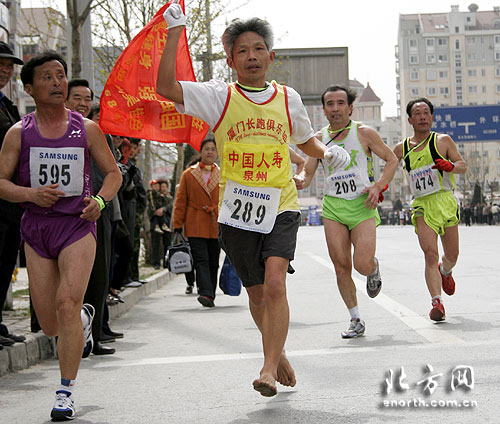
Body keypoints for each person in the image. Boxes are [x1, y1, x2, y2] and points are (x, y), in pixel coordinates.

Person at [157, 5, 350, 397]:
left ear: (270, 55)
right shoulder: (219, 96)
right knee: (258, 294)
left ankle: (266, 368)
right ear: (230, 60)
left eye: (258, 49)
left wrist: (328, 153)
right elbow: (166, 87)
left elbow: (305, 141)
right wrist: (175, 29)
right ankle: (278, 353)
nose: (251, 56)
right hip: (238, 211)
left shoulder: (287, 98)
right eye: (242, 51)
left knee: (276, 283)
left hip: (281, 204)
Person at [0, 51, 121, 420]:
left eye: (60, 75)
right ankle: (82, 320)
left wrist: (99, 201)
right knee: (51, 323)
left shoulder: (86, 128)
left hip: (76, 225)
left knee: (66, 303)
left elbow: (113, 174)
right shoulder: (19, 133)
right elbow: (1, 182)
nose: (56, 83)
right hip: (37, 228)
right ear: (29, 88)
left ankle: (65, 392)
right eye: (47, 77)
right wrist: (30, 194)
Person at [296, 85, 398, 338]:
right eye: (330, 104)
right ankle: (355, 319)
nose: (335, 108)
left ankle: (373, 267)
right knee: (341, 266)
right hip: (333, 207)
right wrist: (300, 179)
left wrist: (378, 186)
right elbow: (307, 171)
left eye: (341, 103)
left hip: (362, 205)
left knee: (361, 264)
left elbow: (392, 159)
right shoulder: (317, 140)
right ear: (324, 109)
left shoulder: (364, 133)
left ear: (350, 107)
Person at [393, 98, 467, 322]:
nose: (422, 117)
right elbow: (388, 164)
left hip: (445, 201)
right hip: (422, 205)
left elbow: (462, 165)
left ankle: (445, 270)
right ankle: (437, 302)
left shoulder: (443, 141)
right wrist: (380, 186)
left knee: (452, 255)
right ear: (410, 120)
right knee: (430, 253)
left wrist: (450, 166)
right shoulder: (402, 148)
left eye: (426, 112)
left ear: (432, 117)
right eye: (417, 113)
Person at [65, 79, 116, 355]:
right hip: (58, 216)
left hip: (95, 212)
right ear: (65, 100)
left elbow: (111, 173)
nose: (83, 103)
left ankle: (93, 337)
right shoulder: (50, 132)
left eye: (87, 99)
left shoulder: (98, 135)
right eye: (77, 98)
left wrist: (99, 201)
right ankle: (65, 335)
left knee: (98, 275)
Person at [172, 139, 221, 307]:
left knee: (213, 261)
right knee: (201, 260)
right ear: (201, 152)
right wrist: (177, 224)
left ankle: (211, 294)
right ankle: (205, 293)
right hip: (195, 223)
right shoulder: (189, 174)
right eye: (206, 149)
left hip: (215, 223)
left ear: (217, 153)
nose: (210, 152)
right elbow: (180, 201)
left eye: (213, 149)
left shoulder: (222, 174)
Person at [0, 41, 26, 348]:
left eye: (9, 67)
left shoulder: (7, 105)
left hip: (11, 200)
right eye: (1, 65)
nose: (5, 71)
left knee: (6, 261)